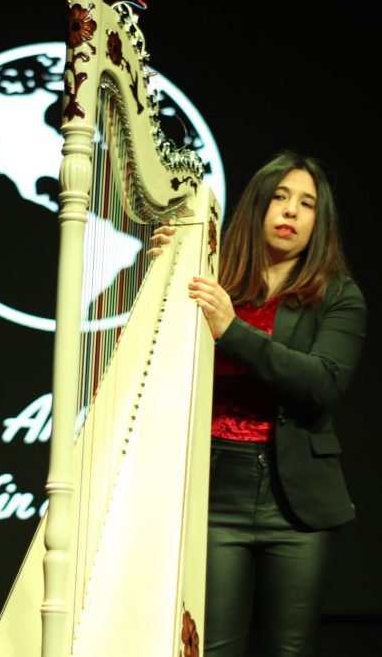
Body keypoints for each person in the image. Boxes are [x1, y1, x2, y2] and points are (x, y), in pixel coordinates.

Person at [150, 149, 366, 657]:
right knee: (210, 648)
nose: (290, 211)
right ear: (257, 207)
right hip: (214, 491)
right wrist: (165, 270)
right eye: (280, 197)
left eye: (306, 204)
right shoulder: (211, 278)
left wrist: (233, 330)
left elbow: (321, 384)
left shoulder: (338, 296)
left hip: (297, 505)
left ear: (320, 221)